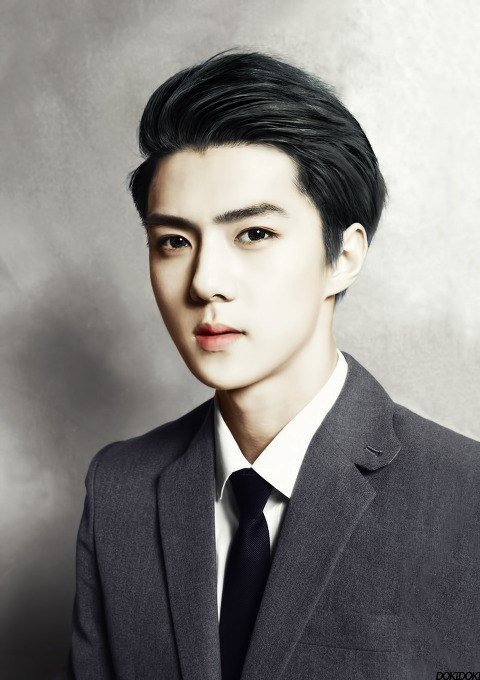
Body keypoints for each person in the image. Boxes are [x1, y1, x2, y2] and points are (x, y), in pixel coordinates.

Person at [63, 49, 480, 680]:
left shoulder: (464, 497)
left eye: (254, 234)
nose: (205, 281)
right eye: (174, 241)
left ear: (343, 257)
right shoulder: (121, 488)